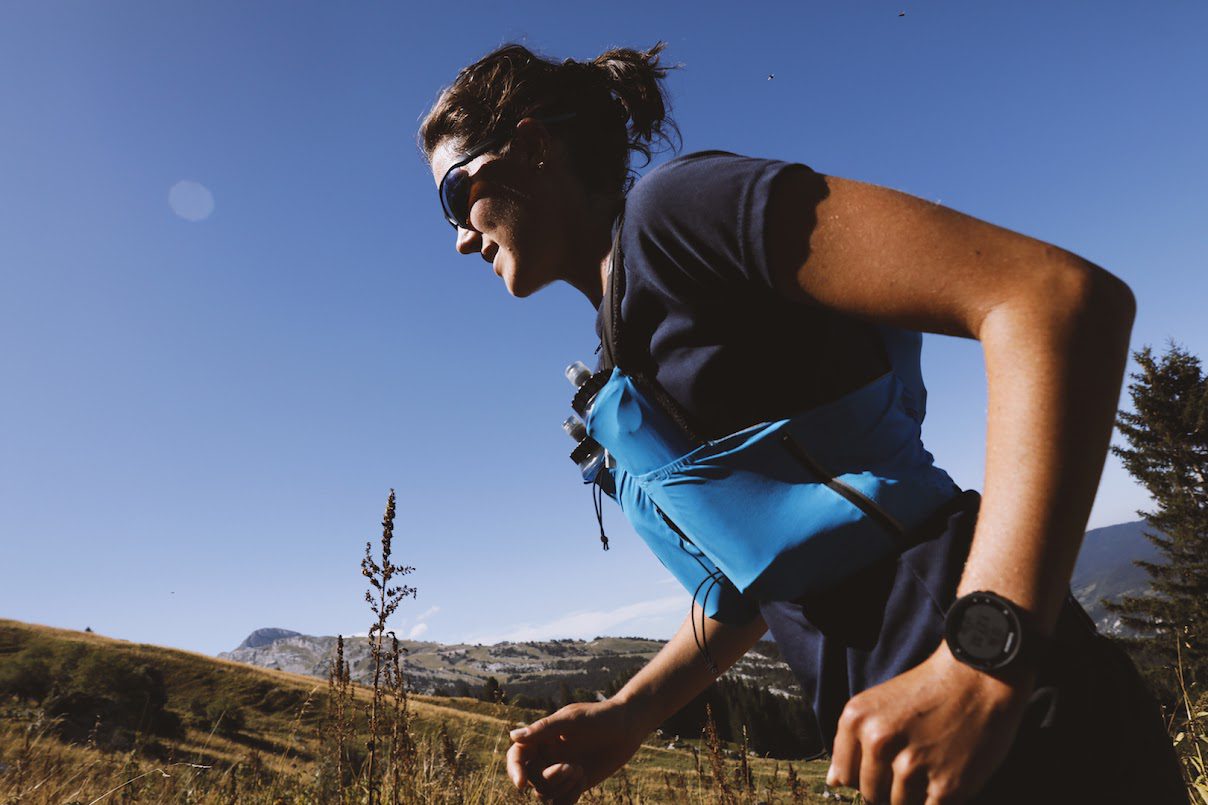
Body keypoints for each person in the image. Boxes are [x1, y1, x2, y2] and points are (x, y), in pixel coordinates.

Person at [420, 43, 1187, 804]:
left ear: (532, 146)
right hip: (913, 741)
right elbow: (770, 579)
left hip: (1023, 715)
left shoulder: (675, 213)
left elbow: (1053, 299)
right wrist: (632, 712)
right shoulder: (618, 350)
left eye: (457, 198)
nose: (458, 237)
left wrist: (982, 660)